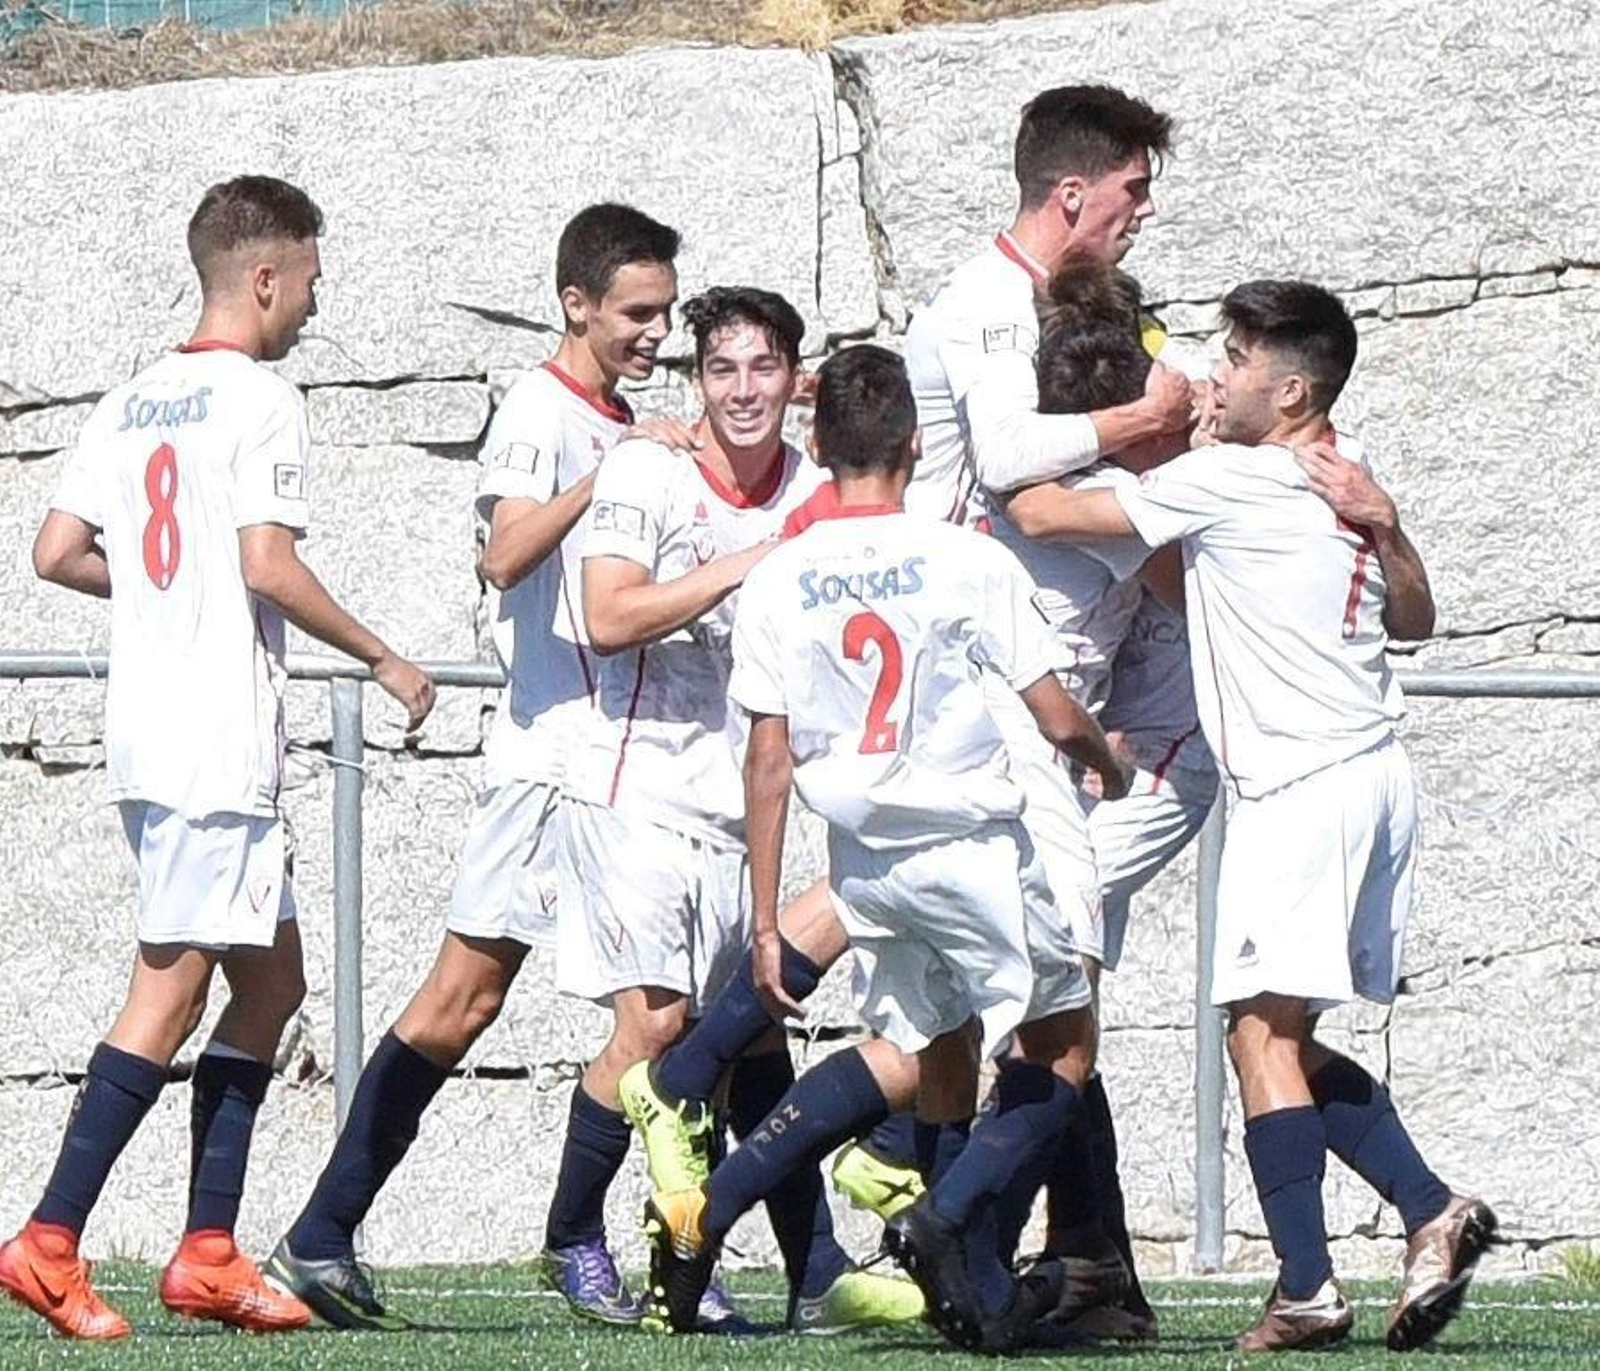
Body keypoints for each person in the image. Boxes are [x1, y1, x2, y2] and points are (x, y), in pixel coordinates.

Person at [8, 175, 435, 1341]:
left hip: (154, 732)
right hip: (212, 740)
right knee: (172, 986)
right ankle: (49, 1239)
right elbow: (267, 567)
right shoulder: (259, 396)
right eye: (308, 276)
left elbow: (56, 551)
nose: (312, 297)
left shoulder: (132, 398)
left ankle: (206, 1251)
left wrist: (159, 591)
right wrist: (386, 659)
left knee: (273, 981)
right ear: (264, 277)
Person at [1034, 278, 1496, 1353]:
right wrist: (1389, 525)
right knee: (1276, 1035)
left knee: (1254, 1031)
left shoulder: (1232, 480)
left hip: (1302, 786)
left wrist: (1094, 433)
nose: (1215, 372)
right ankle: (1426, 1210)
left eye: (1234, 358)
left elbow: (1041, 511)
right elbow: (1416, 620)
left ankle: (1309, 1286)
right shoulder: (1347, 468)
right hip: (1367, 778)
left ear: (1289, 389)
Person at [642, 344, 1129, 1354]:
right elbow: (1048, 710)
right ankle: (948, 1225)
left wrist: (769, 922)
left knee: (940, 1060)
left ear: (816, 448)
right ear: (913, 445)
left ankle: (943, 1286)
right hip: (971, 848)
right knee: (1062, 1049)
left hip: (867, 868)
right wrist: (1104, 761)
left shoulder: (781, 578)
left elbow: (767, 764)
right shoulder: (965, 556)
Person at [268, 203, 679, 1329]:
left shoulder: (620, 416)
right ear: (577, 304)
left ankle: (362, 1233)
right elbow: (504, 555)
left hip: (618, 761)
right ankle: (354, 1230)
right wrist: (613, 474)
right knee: (470, 1001)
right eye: (637, 313)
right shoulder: (541, 413)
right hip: (552, 760)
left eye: (666, 313)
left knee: (659, 1012)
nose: (655, 333)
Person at [553, 285, 918, 1334]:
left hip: (739, 802)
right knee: (659, 1031)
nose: (743, 390)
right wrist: (755, 562)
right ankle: (579, 1234)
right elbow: (607, 613)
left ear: (796, 383)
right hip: (632, 788)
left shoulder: (819, 485)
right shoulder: (647, 469)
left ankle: (808, 1272)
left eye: (763, 369)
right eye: (721, 370)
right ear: (697, 382)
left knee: (752, 1048)